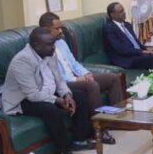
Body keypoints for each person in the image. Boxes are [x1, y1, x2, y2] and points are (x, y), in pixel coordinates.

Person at [0, 28, 106, 154]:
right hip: (22, 100)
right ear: (36, 45)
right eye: (49, 44)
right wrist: (57, 100)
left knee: (79, 97)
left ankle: (79, 140)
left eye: (54, 43)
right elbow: (32, 95)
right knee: (51, 110)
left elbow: (59, 79)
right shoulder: (22, 61)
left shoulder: (49, 53)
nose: (54, 47)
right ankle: (64, 150)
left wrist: (66, 94)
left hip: (45, 91)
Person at [39, 12, 121, 144]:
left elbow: (74, 63)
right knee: (92, 85)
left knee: (113, 78)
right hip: (65, 84)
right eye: (57, 28)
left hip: (76, 77)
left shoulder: (61, 43)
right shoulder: (42, 49)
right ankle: (98, 130)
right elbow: (55, 76)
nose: (61, 31)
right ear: (45, 30)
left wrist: (86, 73)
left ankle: (118, 120)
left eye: (61, 27)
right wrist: (77, 80)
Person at [103, 2, 153, 70]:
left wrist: (146, 48)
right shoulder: (109, 28)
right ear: (112, 14)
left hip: (137, 53)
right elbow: (121, 49)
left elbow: (136, 42)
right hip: (127, 58)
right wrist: (142, 51)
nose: (124, 13)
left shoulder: (127, 25)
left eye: (123, 10)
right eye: (121, 11)